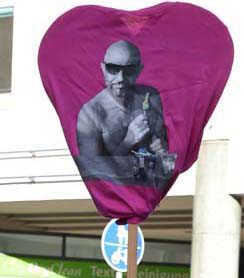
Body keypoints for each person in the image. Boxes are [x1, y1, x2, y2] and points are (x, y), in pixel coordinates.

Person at [75, 40, 175, 188]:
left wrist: (160, 145)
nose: (121, 78)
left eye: (128, 71)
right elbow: (92, 172)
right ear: (103, 69)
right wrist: (127, 141)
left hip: (151, 187)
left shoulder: (150, 96)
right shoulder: (90, 113)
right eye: (113, 69)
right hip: (119, 194)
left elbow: (165, 141)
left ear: (139, 70)